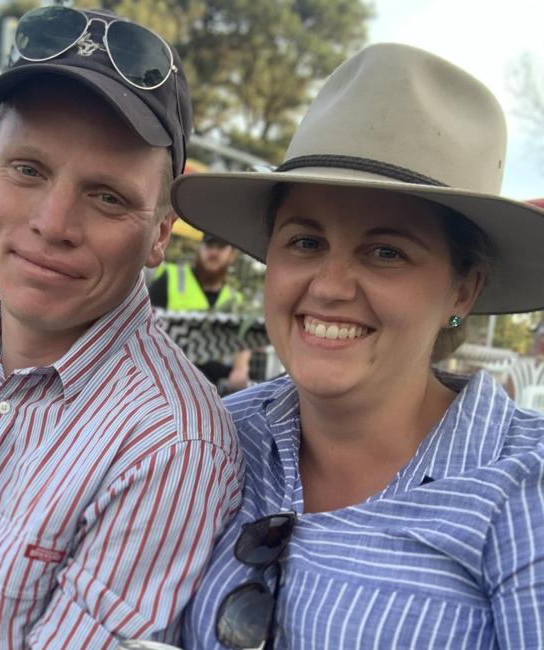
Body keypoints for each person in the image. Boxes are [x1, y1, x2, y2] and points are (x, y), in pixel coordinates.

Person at [172, 43, 544, 648]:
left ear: (463, 289)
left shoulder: (522, 491)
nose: (330, 286)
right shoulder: (212, 441)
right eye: (305, 242)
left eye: (387, 251)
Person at [0, 6, 242, 648]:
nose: (53, 222)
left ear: (160, 236)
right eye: (27, 170)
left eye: (107, 196)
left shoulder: (169, 449)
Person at [149, 233, 252, 392]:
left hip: (213, 381)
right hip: (167, 373)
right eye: (209, 245)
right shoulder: (171, 278)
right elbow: (145, 323)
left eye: (221, 247)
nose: (214, 252)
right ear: (199, 248)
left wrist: (241, 369)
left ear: (232, 255)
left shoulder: (235, 299)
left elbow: (243, 338)